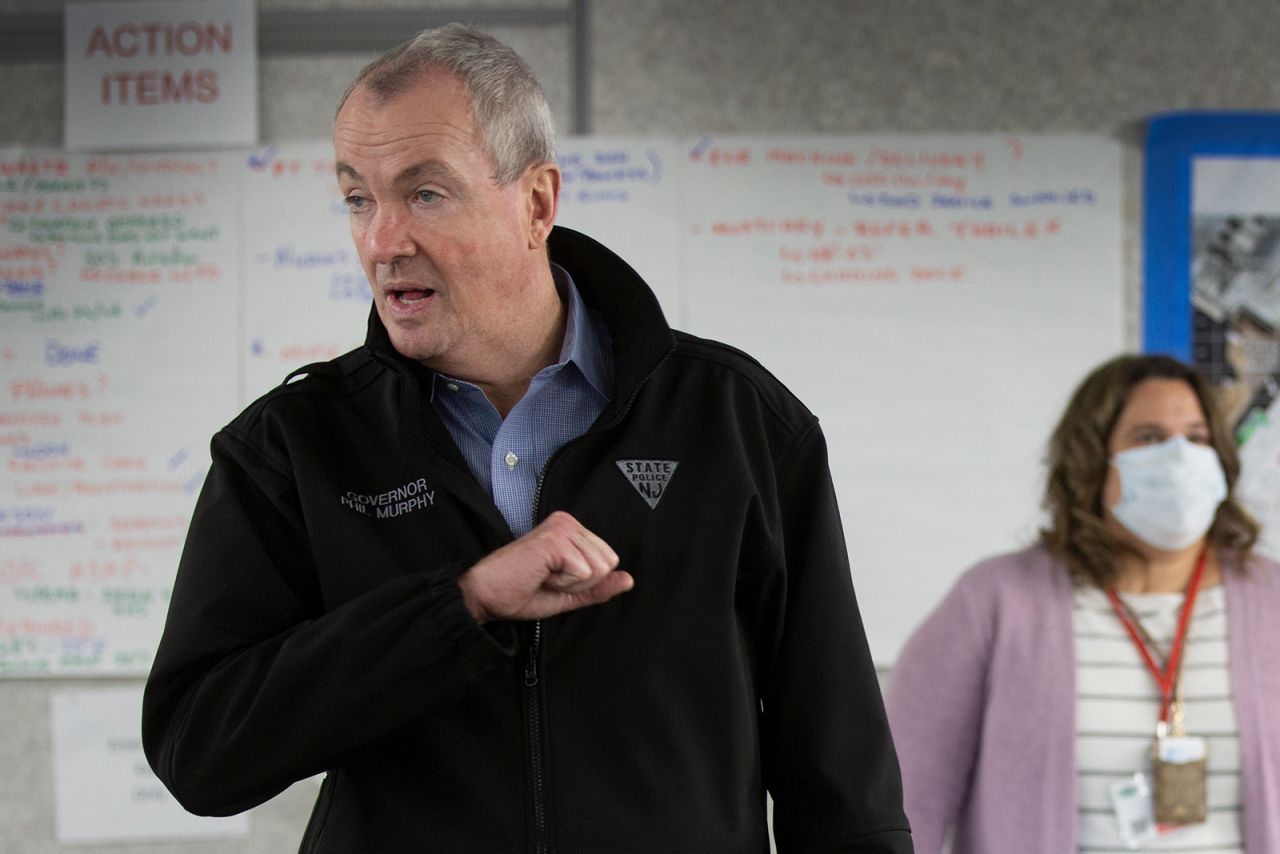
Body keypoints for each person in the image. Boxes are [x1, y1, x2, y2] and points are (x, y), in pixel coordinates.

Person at [141, 23, 912, 853]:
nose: (381, 241)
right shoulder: (291, 448)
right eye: (359, 198)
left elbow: (843, 788)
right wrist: (457, 608)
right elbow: (200, 749)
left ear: (537, 202)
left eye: (425, 194)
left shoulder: (738, 424)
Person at [885, 353, 1280, 853]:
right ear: (1092, 458)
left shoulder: (1271, 601)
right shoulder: (994, 602)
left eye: (1197, 438)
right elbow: (902, 802)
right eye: (1149, 437)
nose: (1179, 458)